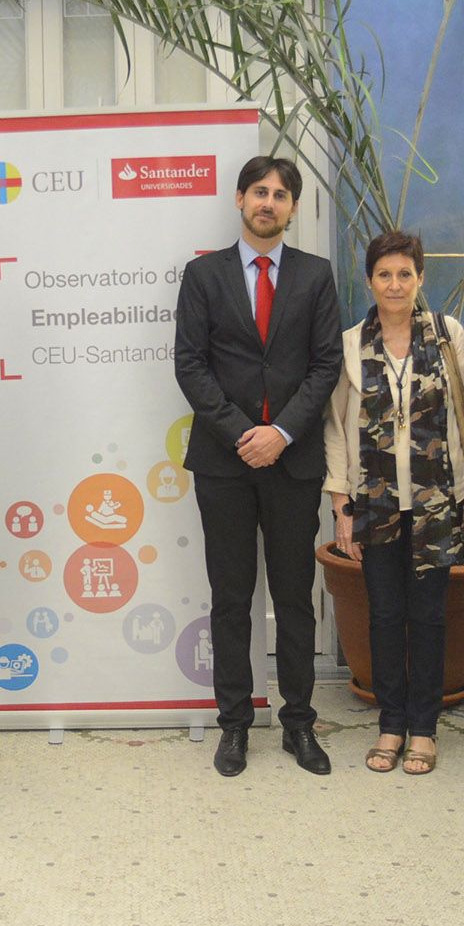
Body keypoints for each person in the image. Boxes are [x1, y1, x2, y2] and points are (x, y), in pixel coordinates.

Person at [173, 154, 344, 777]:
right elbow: (190, 365)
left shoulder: (316, 275)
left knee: (296, 597)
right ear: (240, 200)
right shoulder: (204, 276)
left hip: (294, 462)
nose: (268, 202)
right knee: (231, 597)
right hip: (224, 462)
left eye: (280, 194)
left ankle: (299, 723)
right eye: (259, 192)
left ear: (294, 208)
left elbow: (327, 364)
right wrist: (247, 433)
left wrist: (283, 432)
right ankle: (235, 725)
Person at [324, 230, 464, 775]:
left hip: (439, 500)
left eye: (405, 274)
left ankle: (423, 729)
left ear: (421, 279)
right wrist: (340, 502)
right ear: (370, 281)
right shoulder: (350, 343)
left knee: (428, 617)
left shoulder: (448, 336)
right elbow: (336, 429)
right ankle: (390, 725)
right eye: (384, 274)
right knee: (385, 615)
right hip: (373, 504)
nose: (394, 284)